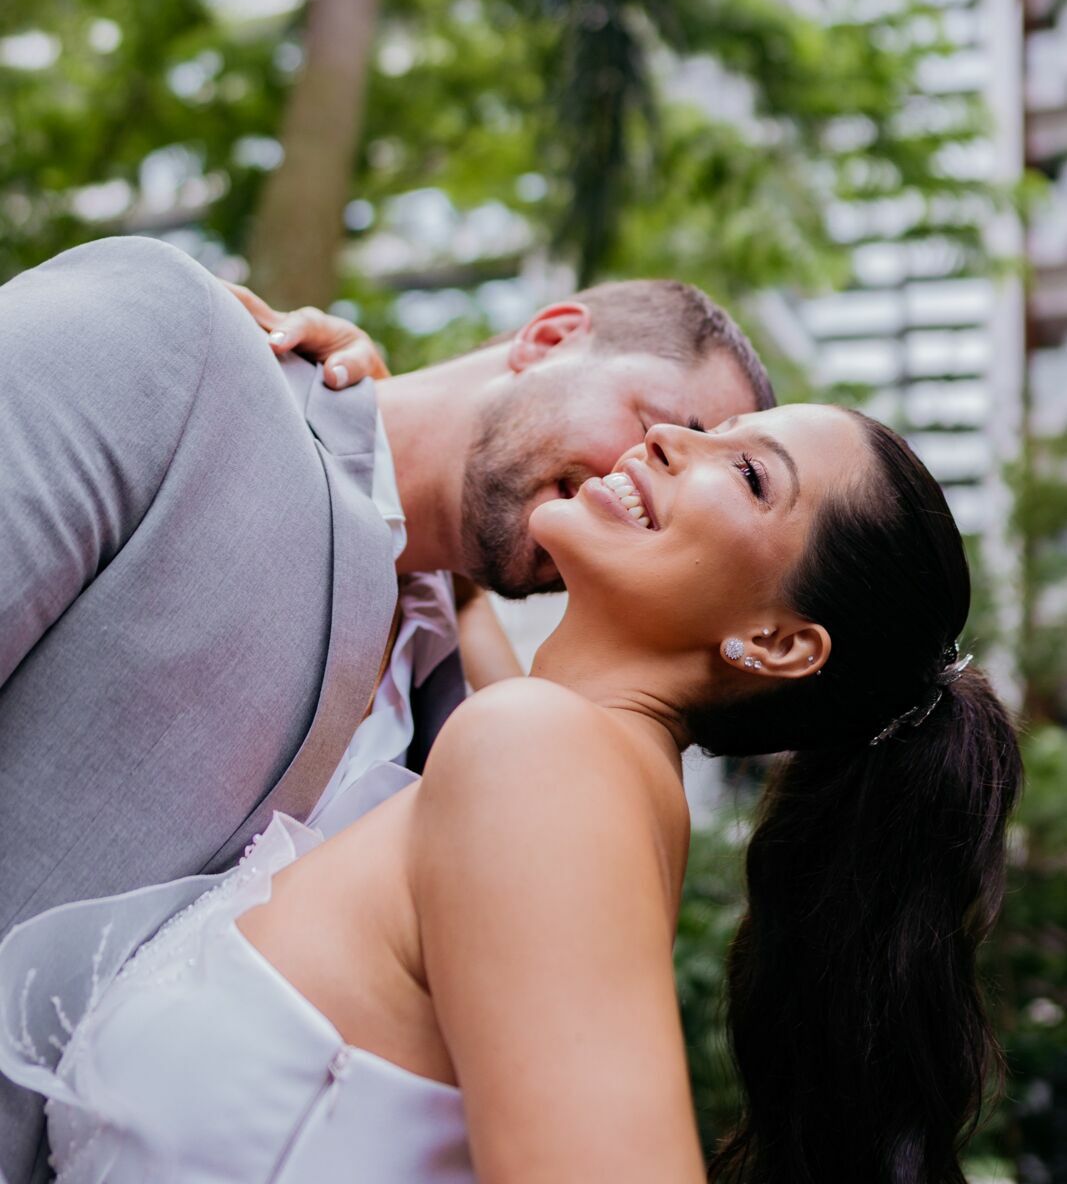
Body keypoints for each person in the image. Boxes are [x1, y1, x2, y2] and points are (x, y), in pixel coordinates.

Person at [0, 405, 1022, 1183]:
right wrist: (339, 399)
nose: (669, 436)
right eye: (706, 426)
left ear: (774, 642)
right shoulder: (561, 766)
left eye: (749, 475)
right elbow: (457, 576)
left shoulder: (542, 762)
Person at [0, 235, 770, 1179]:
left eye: (718, 475)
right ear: (553, 335)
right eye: (660, 425)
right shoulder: (177, 349)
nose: (648, 475)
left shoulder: (479, 753)